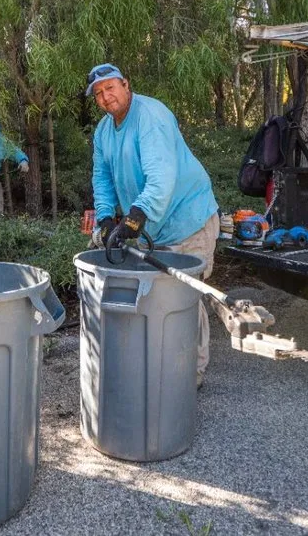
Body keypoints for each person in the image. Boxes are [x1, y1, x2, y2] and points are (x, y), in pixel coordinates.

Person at [86, 63, 220, 387]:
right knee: (161, 296)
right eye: (99, 93)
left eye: (110, 88)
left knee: (184, 298)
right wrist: (106, 219)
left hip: (188, 218)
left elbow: (161, 177)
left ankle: (190, 378)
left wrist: (134, 219)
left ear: (126, 84)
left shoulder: (150, 116)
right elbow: (102, 178)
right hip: (157, 225)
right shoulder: (104, 131)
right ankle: (163, 366)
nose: (106, 97)